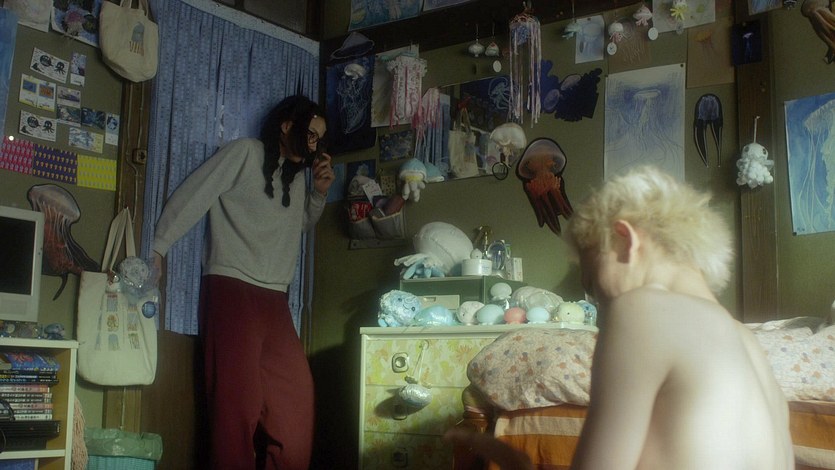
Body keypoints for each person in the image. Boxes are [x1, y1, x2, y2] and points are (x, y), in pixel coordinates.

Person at [445, 166, 794, 470]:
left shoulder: (642, 309)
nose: (600, 316)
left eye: (593, 286)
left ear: (625, 240)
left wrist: (514, 463)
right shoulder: (750, 346)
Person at [151, 95, 334, 470]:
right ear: (286, 126)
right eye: (310, 134)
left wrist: (318, 194)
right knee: (236, 411)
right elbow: (195, 193)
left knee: (295, 406)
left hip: (276, 301)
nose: (314, 145)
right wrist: (158, 247)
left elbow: (295, 225)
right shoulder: (245, 153)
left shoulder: (297, 177)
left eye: (319, 138)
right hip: (231, 290)